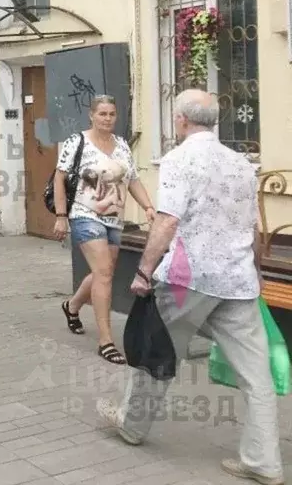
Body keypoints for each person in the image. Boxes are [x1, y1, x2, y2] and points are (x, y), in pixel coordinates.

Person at [97, 90, 283, 483]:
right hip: (237, 281)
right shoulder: (241, 164)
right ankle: (263, 462)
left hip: (188, 280)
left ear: (181, 120)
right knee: (256, 376)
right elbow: (252, 226)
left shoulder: (179, 159)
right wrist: (256, 270)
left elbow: (167, 222)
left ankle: (132, 426)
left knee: (156, 353)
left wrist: (144, 271)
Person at [54, 95, 155, 365]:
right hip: (84, 214)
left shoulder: (122, 145)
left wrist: (148, 206)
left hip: (114, 218)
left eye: (112, 114)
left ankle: (72, 306)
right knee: (104, 274)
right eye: (102, 114)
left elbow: (132, 179)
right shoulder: (77, 142)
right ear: (92, 115)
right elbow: (60, 177)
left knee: (104, 273)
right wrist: (61, 216)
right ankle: (106, 341)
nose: (107, 118)